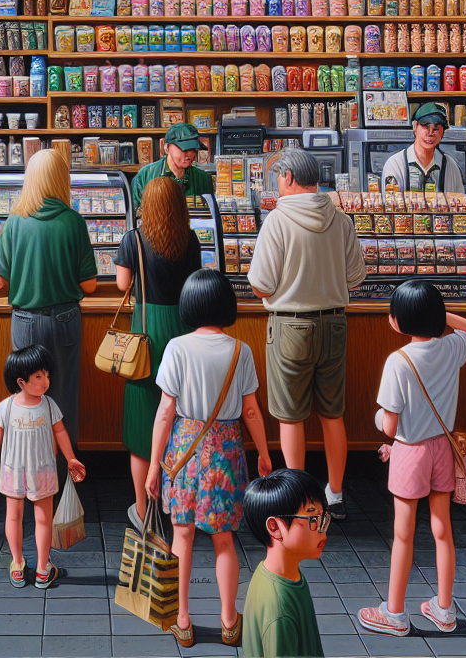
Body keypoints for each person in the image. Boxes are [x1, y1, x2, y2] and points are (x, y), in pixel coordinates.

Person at [146, 269, 274, 649]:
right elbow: (251, 411)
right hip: (227, 449)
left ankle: (182, 620)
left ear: (189, 305)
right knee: (224, 540)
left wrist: (154, 463)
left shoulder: (177, 348)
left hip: (185, 447)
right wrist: (265, 453)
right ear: (226, 306)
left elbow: (166, 412)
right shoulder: (241, 350)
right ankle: (229, 620)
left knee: (181, 536)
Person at [357, 280, 466, 637]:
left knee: (403, 535)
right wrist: (439, 318)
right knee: (442, 530)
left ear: (397, 322)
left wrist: (378, 419)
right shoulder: (452, 347)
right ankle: (443, 608)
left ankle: (394, 613)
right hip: (442, 446)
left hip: (410, 452)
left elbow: (390, 425)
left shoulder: (399, 361)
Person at [248, 148, 365, 516]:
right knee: (333, 413)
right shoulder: (341, 219)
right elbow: (356, 277)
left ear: (287, 178)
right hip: (334, 322)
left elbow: (262, 285)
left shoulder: (277, 221)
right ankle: (335, 494)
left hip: (290, 326)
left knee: (290, 415)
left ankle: (296, 497)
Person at [0, 148, 97, 479]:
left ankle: (26, 473)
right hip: (64, 320)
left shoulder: (15, 221)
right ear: (61, 180)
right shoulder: (73, 221)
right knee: (61, 400)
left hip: (23, 321)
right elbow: (89, 285)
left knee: (26, 398)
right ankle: (63, 474)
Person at [116, 177, 204, 532]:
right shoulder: (191, 240)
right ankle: (177, 503)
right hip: (182, 331)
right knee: (180, 421)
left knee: (142, 429)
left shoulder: (133, 239)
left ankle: (143, 511)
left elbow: (123, 285)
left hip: (147, 335)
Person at [0, 344, 86, 590]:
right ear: (21, 382)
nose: (46, 381)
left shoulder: (48, 404)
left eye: (46, 375)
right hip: (16, 470)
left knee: (42, 518)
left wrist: (71, 457)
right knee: (15, 516)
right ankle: (21, 563)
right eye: (38, 377)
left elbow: (60, 431)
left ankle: (40, 567)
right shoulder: (6, 406)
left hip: (40, 470)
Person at [239, 468, 329, 658]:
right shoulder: (279, 611)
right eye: (312, 518)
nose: (322, 530)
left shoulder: (281, 573)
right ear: (274, 527)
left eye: (322, 518)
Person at [379, 103, 466, 193]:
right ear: (415, 127)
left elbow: (461, 202)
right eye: (426, 126)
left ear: (442, 132)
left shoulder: (450, 166)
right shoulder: (396, 164)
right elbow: (389, 204)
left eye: (436, 129)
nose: (430, 133)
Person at [130, 122, 215, 206]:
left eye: (193, 149)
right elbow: (135, 213)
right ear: (167, 148)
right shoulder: (145, 175)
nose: (190, 155)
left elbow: (210, 214)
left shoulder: (203, 179)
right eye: (184, 149)